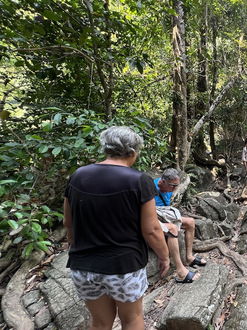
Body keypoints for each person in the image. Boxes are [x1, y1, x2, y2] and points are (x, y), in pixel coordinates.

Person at [64, 126, 169, 330]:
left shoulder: (78, 175)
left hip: (83, 265)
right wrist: (164, 257)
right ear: (133, 152)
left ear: (106, 148)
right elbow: (152, 230)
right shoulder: (139, 180)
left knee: (100, 322)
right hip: (123, 267)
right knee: (132, 319)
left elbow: (68, 223)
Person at [154, 168, 207, 283]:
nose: (175, 189)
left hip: (166, 215)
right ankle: (180, 271)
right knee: (173, 229)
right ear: (163, 181)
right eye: (173, 186)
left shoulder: (168, 188)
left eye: (177, 185)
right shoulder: (151, 188)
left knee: (190, 222)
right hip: (155, 219)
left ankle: (189, 257)